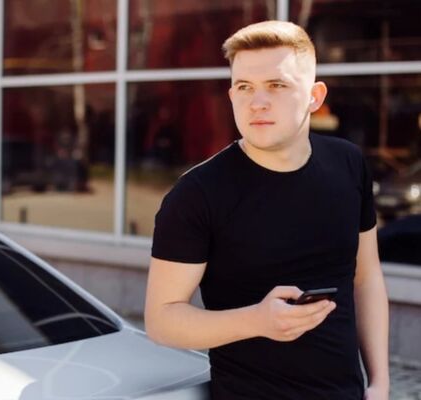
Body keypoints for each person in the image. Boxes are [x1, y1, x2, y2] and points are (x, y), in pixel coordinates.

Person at [144, 20, 389, 400]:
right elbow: (161, 321)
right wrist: (256, 321)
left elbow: (366, 278)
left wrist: (380, 382)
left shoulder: (348, 163)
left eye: (276, 85)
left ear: (315, 96)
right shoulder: (197, 194)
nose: (257, 102)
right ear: (231, 95)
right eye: (245, 87)